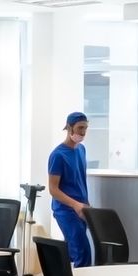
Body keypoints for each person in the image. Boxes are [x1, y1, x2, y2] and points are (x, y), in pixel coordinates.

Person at [47, 112, 92, 267]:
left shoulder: (81, 150)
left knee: (72, 252)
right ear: (69, 128)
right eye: (80, 128)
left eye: (85, 128)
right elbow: (53, 189)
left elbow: (80, 181)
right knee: (83, 252)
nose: (83, 132)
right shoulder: (58, 155)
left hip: (81, 208)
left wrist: (84, 205)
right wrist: (75, 205)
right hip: (65, 210)